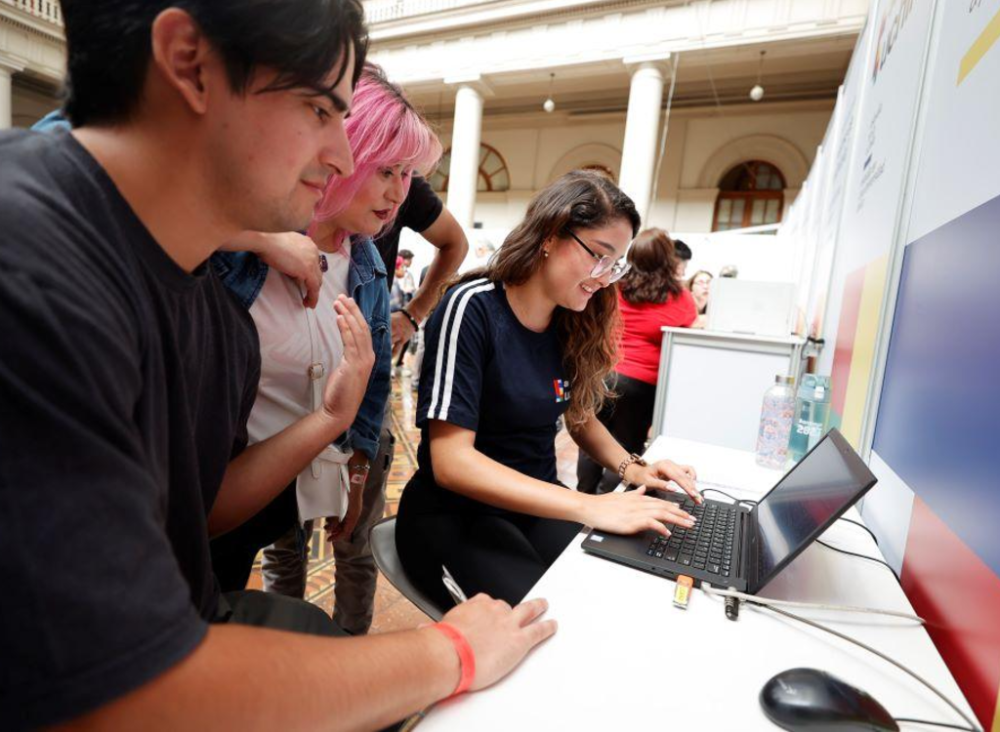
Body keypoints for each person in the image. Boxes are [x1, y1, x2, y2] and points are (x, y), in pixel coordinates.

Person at [0, 3, 555, 729]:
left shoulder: (208, 309)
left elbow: (199, 510)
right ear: (190, 64)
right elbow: (131, 693)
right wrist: (451, 650)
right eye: (321, 107)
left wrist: (331, 421)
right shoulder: (31, 258)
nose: (344, 156)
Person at [395, 171, 704, 610]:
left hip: (535, 504)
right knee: (550, 618)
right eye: (598, 255)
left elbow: (579, 415)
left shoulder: (569, 318)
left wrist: (634, 468)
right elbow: (451, 463)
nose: (603, 277)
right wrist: (587, 505)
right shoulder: (474, 308)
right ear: (550, 235)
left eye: (614, 265)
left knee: (606, 595)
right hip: (457, 513)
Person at [209, 64, 437, 639]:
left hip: (293, 488)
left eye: (407, 174)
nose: (398, 193)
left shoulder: (368, 267)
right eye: (386, 170)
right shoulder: (239, 246)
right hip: (216, 495)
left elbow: (373, 385)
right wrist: (254, 239)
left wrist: (357, 474)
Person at [576, 228, 699, 494]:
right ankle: (609, 508)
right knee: (626, 448)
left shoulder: (613, 286)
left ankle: (584, 496)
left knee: (591, 441)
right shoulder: (679, 297)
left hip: (601, 373)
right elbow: (688, 337)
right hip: (641, 385)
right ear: (668, 259)